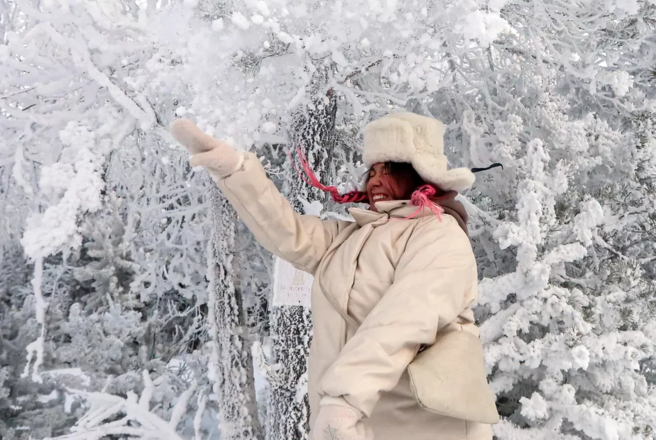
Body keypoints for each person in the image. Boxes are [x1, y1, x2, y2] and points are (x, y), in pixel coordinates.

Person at [170, 112, 494, 440]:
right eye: (373, 171)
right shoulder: (349, 238)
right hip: (353, 423)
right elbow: (288, 232)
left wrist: (344, 398)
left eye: (390, 169)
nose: (376, 180)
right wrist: (236, 170)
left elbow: (405, 319)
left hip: (423, 426)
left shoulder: (439, 234)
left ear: (421, 174)